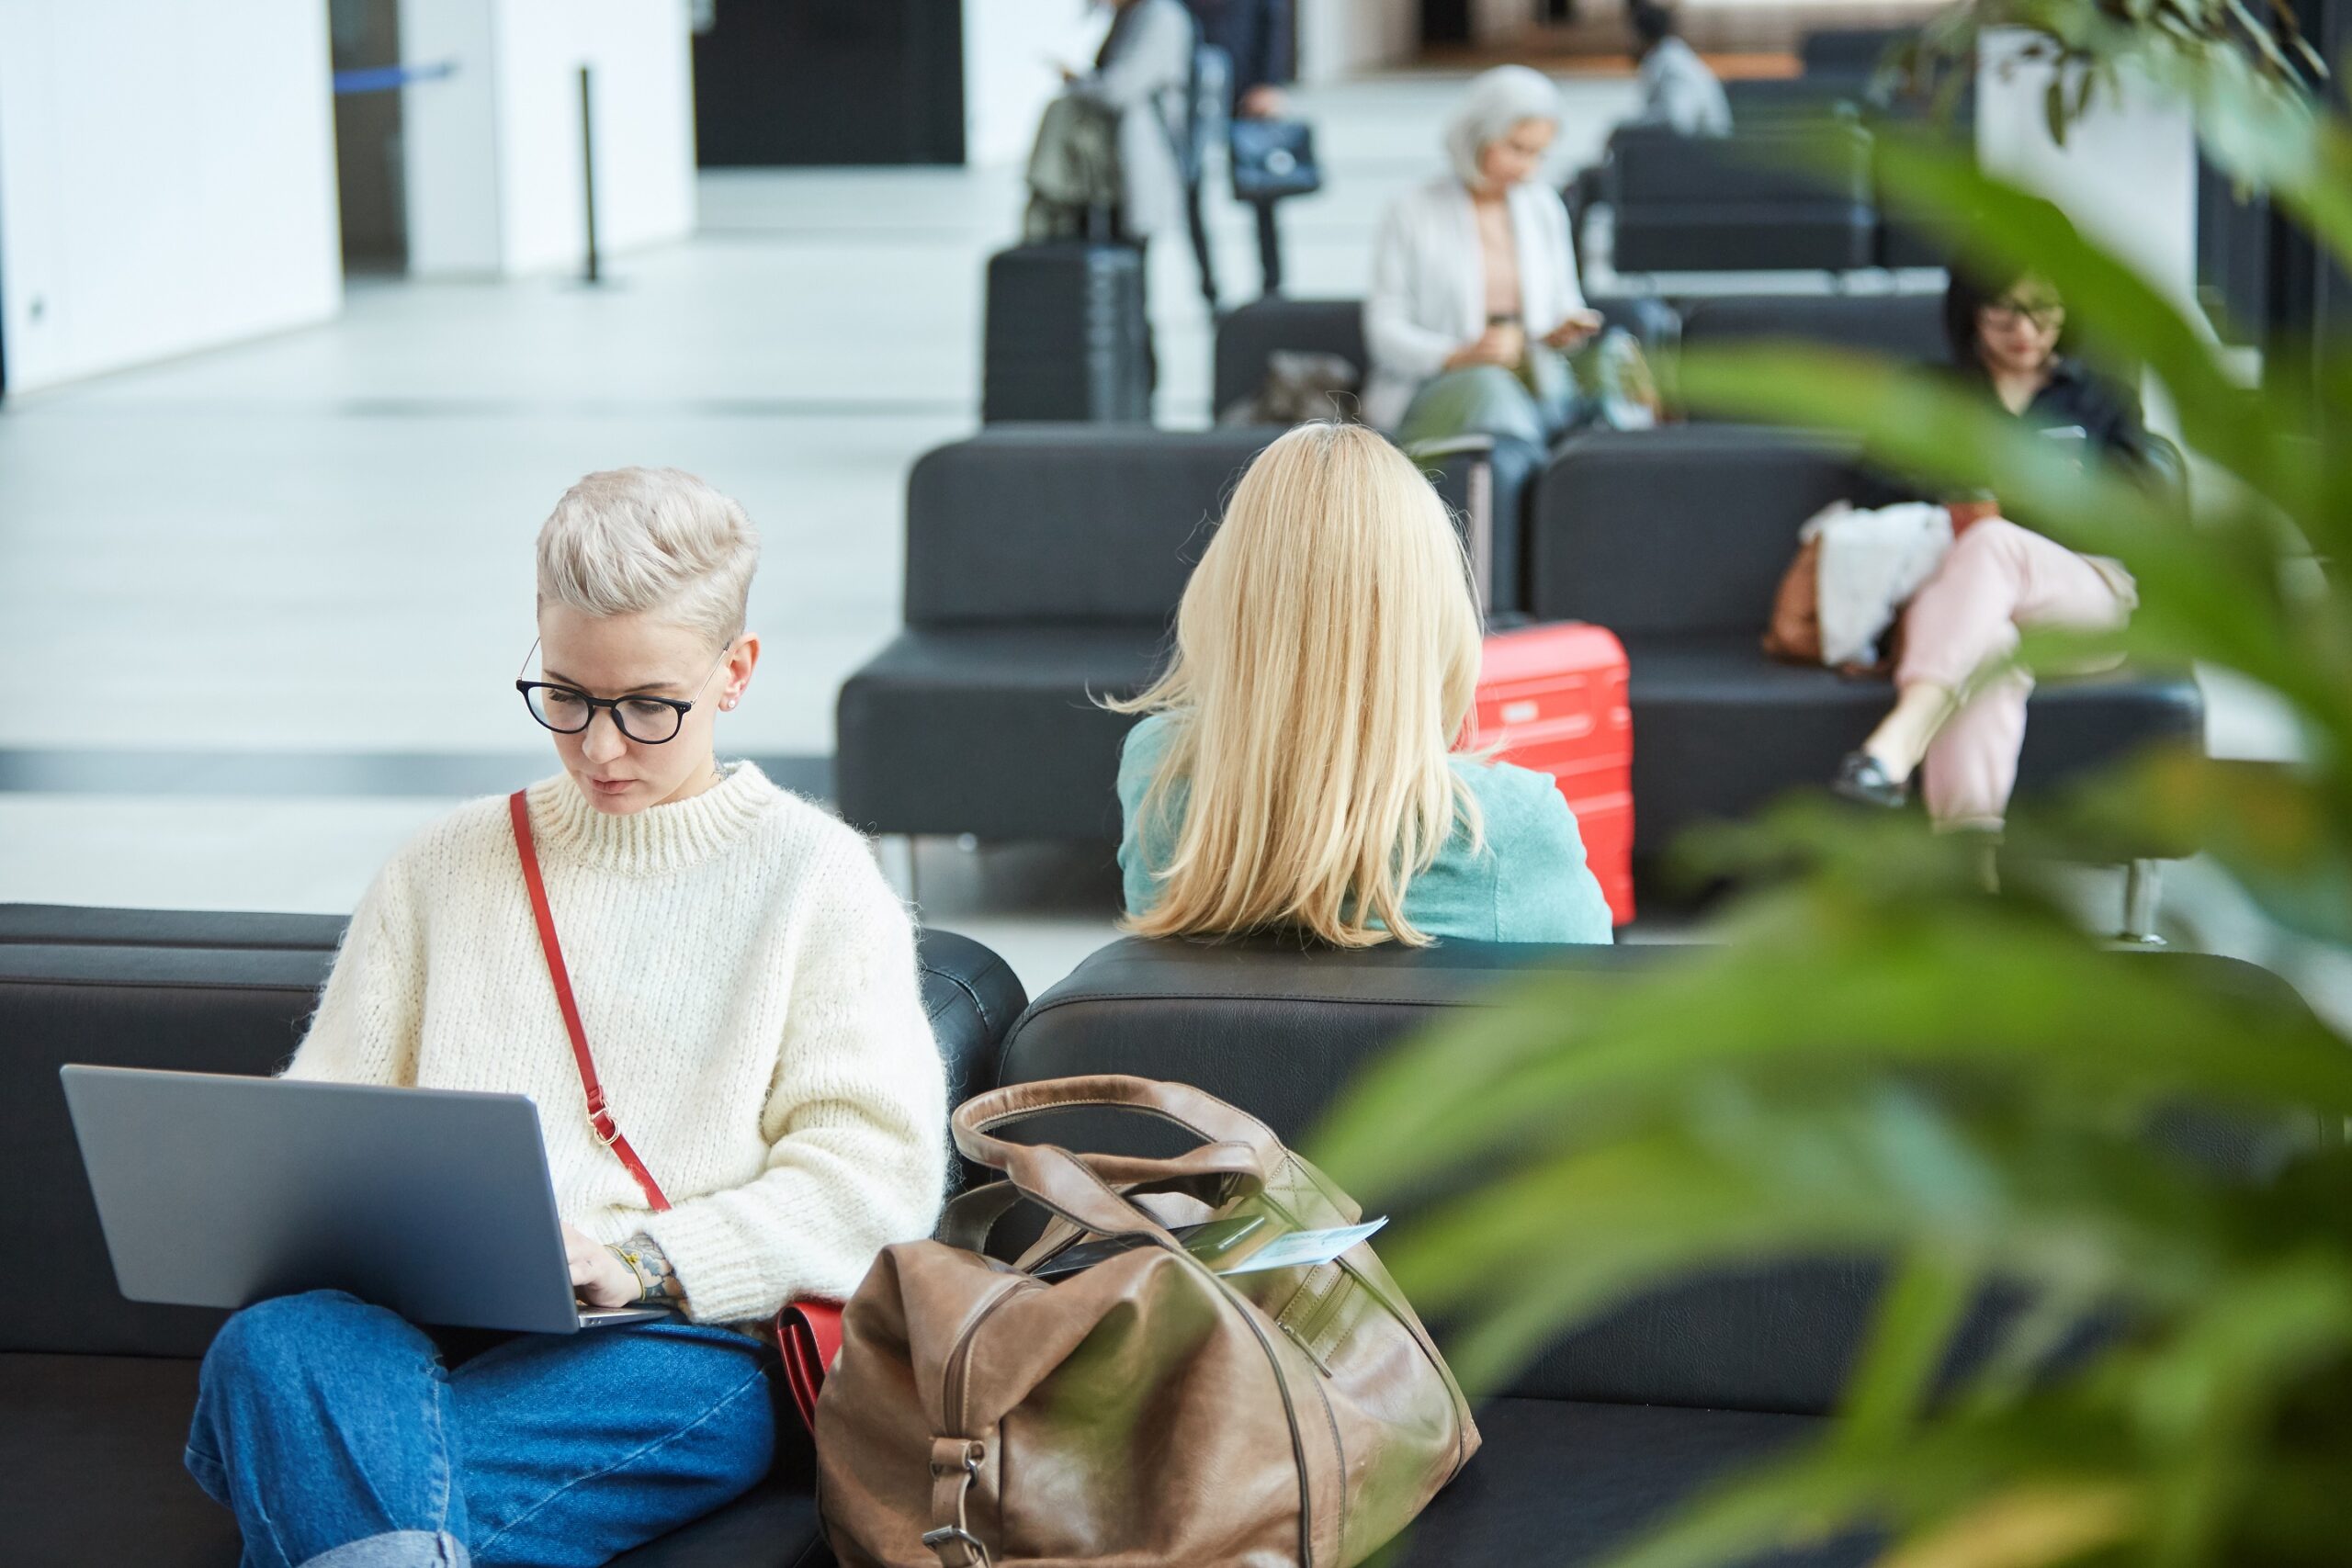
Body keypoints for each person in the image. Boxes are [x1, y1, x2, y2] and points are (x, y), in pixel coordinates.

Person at [184, 468, 949, 1568]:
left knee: (297, 1435)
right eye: (567, 697)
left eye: (648, 706)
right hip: (411, 1332)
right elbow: (319, 1134)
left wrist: (642, 1261)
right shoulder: (445, 865)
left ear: (735, 673)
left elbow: (873, 1192)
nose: (599, 747)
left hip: (666, 1346)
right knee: (277, 1343)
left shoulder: (816, 880)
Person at [1114, 423, 1615, 947]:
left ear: (1225, 597)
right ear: (1432, 614)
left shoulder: (1157, 771)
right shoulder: (1506, 826)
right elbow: (1605, 1000)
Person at [1833, 262, 2154, 830]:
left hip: (2081, 596)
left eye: (2042, 309)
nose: (2024, 329)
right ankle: (1973, 879)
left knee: (1996, 542)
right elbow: (1871, 487)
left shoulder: (2102, 398)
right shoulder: (1929, 393)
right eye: (2004, 308)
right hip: (1960, 605)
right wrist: (1953, 489)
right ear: (1971, 312)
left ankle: (1899, 740)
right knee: (1990, 646)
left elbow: (2140, 513)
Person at [1363, 66, 1611, 446]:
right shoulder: (1411, 210)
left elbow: (1565, 301)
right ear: (1477, 135)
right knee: (1489, 386)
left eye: (1539, 154)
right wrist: (1459, 355)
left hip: (1534, 382)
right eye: (1517, 149)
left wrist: (1563, 330)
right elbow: (1385, 333)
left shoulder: (1543, 207)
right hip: (1434, 386)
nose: (1527, 167)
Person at [1182, 0, 1296, 301]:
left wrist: (1270, 82)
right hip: (1191, 94)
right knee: (1192, 192)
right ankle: (1209, 289)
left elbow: (1272, 14)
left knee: (1261, 190)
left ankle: (1272, 287)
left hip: (1248, 88)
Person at [1064, 0, 1195, 249]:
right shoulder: (1128, 16)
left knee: (1134, 247)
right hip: (1114, 158)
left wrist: (1078, 84)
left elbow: (1120, 88)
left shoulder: (1160, 16)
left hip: (1144, 146)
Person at [1627, 0, 1731, 138]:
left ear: (1640, 36)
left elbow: (1678, 121)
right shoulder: (1670, 58)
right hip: (1695, 150)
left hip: (1707, 153)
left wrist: (1626, 130)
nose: (1626, 42)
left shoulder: (1673, 66)